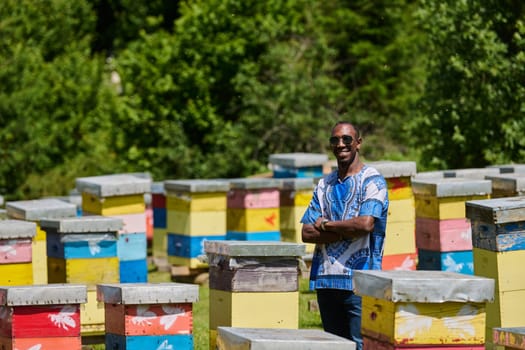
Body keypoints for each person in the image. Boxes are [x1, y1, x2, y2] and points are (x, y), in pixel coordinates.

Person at [301, 121, 389, 349]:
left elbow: (365, 224)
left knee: (362, 345)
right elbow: (307, 232)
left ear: (358, 143)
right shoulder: (324, 185)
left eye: (347, 139)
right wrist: (344, 230)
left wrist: (327, 225)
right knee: (334, 346)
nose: (341, 144)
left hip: (361, 282)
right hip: (326, 281)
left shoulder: (372, 180)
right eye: (335, 140)